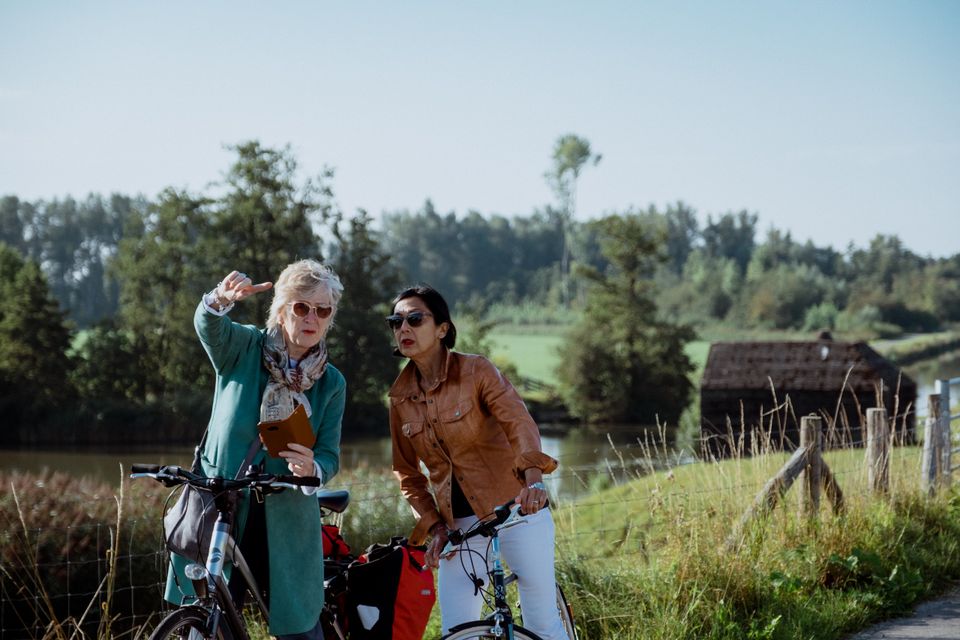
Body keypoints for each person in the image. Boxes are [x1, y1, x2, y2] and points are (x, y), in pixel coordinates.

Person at [164, 260, 346, 640]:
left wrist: (314, 467)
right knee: (211, 615)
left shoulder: (331, 382)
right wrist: (219, 299)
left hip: (286, 519)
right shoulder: (245, 347)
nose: (312, 317)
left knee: (300, 629)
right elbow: (208, 327)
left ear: (330, 318)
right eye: (302, 306)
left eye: (322, 310)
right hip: (221, 506)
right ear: (282, 309)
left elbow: (329, 453)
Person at [387, 284, 570, 640]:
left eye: (414, 318)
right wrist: (435, 526)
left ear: (442, 328)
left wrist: (533, 482)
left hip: (516, 509)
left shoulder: (476, 372)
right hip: (459, 526)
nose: (403, 328)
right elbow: (406, 473)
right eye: (395, 321)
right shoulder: (400, 398)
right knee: (458, 631)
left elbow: (518, 423)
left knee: (541, 621)